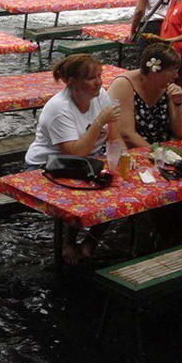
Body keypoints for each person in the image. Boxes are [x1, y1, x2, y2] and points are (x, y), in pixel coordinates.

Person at [25, 54, 120, 265]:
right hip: (49, 164)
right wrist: (99, 121)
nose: (99, 82)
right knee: (78, 194)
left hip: (89, 160)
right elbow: (75, 152)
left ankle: (89, 243)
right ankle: (67, 243)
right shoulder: (59, 108)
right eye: (91, 78)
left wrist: (116, 154)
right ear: (72, 82)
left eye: (99, 76)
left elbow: (113, 130)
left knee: (119, 190)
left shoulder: (100, 95)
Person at [108, 42, 182, 247]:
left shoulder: (167, 89)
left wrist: (179, 103)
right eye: (172, 70)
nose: (176, 76)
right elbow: (126, 132)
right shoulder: (124, 84)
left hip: (159, 149)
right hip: (132, 151)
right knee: (160, 184)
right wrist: (157, 153)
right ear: (155, 70)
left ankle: (171, 236)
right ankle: (154, 238)